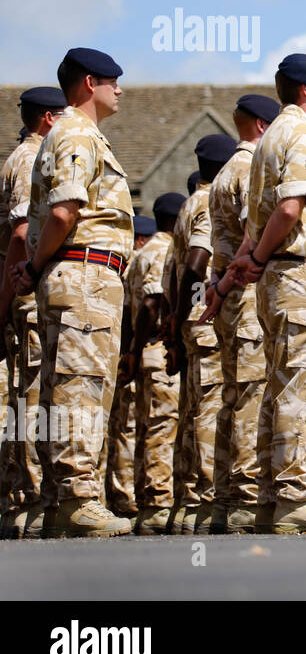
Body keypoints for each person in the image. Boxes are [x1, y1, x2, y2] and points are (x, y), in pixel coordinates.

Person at [211, 53, 306, 534]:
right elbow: (290, 208)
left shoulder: (268, 138)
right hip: (298, 273)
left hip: (277, 276)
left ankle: (275, 497)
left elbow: (262, 215)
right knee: (303, 387)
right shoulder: (302, 133)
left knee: (279, 387)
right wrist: (257, 257)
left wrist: (253, 258)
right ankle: (297, 497)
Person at [12, 48, 133, 537]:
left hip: (85, 276)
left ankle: (72, 499)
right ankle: (78, 498)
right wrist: (37, 263)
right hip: (83, 273)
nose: (119, 89)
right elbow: (65, 212)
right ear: (89, 82)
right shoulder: (77, 133)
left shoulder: (77, 133)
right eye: (112, 80)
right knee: (79, 388)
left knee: (78, 388)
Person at [206, 93, 278, 535]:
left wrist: (218, 288)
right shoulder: (252, 169)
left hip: (229, 296)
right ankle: (247, 498)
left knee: (233, 399)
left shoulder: (220, 175)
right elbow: (255, 236)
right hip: (247, 293)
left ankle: (227, 498)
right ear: (261, 126)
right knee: (251, 398)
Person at [0, 85, 65, 539]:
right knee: (34, 399)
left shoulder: (30, 155)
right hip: (28, 298)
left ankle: (26, 501)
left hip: (26, 296)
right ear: (46, 119)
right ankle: (31, 500)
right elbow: (22, 235)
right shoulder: (31, 159)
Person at [168, 133, 237, 533]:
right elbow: (196, 264)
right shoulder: (210, 202)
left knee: (194, 410)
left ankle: (188, 502)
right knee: (211, 410)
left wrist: (178, 324)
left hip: (192, 321)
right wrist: (190, 313)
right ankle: (207, 499)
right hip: (206, 317)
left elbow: (172, 274)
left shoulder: (186, 205)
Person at [126, 194, 185, 534]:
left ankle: (145, 501)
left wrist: (130, 350)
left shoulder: (139, 256)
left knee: (147, 429)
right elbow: (151, 304)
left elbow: (127, 312)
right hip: (156, 349)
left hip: (142, 352)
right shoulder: (162, 251)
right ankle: (159, 503)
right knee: (163, 429)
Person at [104, 215, 156, 518]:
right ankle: (135, 497)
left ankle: (121, 496)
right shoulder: (147, 261)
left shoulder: (125, 267)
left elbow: (124, 315)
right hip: (145, 351)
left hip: (124, 354)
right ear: (142, 240)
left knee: (123, 429)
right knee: (144, 428)